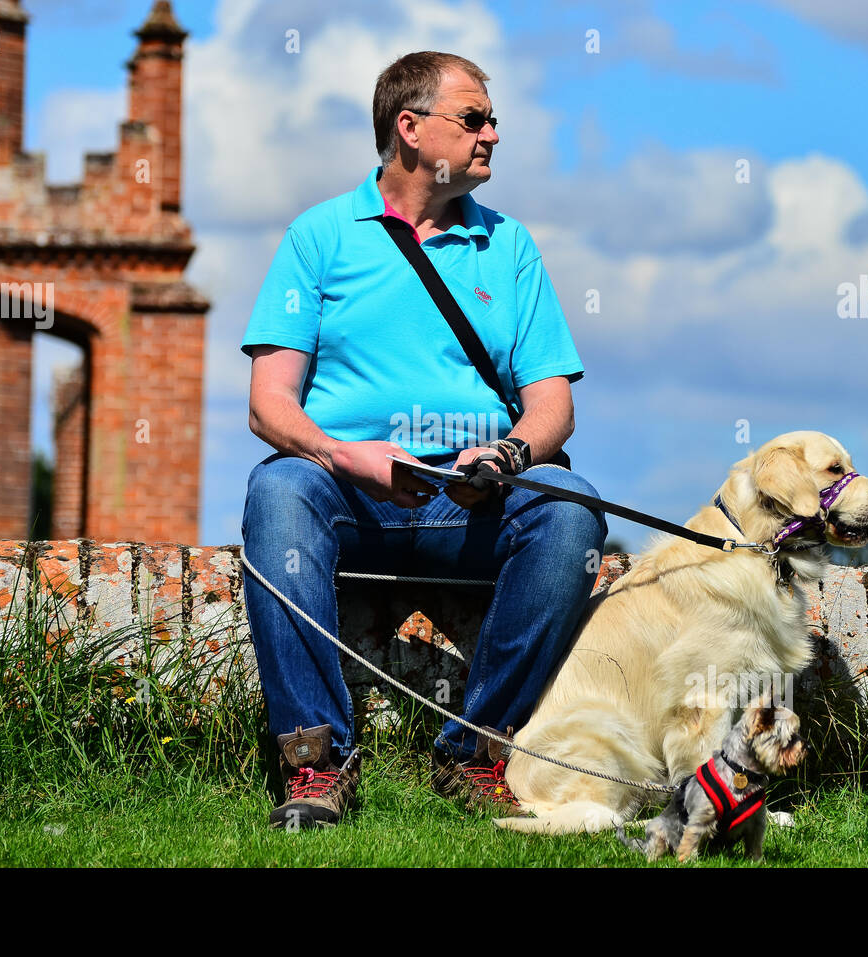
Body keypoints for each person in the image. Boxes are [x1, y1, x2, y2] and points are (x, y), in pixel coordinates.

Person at [239, 51, 607, 829]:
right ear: (409, 128)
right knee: (277, 487)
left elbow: (552, 407)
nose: (494, 135)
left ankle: (475, 750)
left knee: (571, 507)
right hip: (348, 494)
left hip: (468, 503)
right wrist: (346, 455)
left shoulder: (508, 247)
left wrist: (505, 456)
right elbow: (269, 403)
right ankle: (315, 764)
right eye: (474, 118)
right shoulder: (319, 237)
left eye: (494, 119)